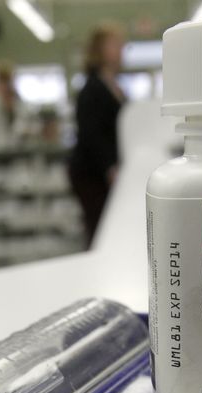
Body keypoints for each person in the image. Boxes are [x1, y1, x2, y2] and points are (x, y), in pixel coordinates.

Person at [69, 23, 126, 246]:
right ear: (99, 49)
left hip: (103, 171)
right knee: (97, 228)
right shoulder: (91, 88)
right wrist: (109, 167)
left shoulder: (112, 85)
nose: (121, 48)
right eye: (115, 44)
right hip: (91, 173)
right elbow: (91, 134)